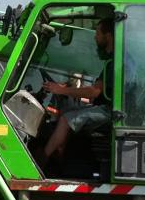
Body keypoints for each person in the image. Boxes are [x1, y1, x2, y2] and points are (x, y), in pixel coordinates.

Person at [41, 17, 116, 163]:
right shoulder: (112, 60)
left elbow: (94, 92)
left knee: (65, 120)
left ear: (107, 36)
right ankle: (60, 156)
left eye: (97, 33)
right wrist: (65, 88)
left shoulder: (114, 63)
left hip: (109, 112)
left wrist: (61, 91)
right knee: (68, 111)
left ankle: (42, 159)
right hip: (106, 108)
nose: (95, 37)